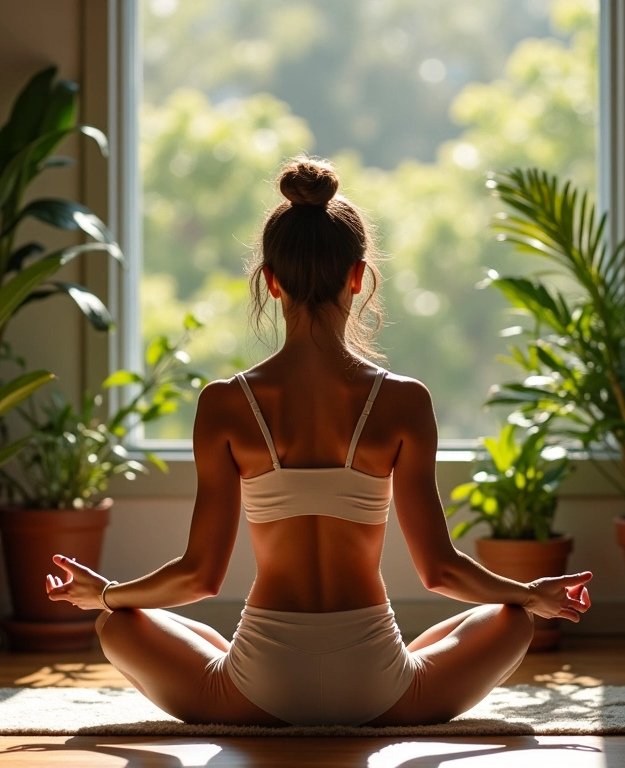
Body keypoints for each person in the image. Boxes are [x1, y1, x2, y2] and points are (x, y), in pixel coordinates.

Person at [46, 156, 591, 727]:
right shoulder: (405, 402)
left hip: (257, 691)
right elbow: (440, 572)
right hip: (378, 688)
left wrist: (106, 593)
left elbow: (198, 577)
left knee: (121, 622)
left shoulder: (226, 404)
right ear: (358, 277)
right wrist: (532, 592)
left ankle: (235, 674)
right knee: (513, 617)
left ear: (270, 281)